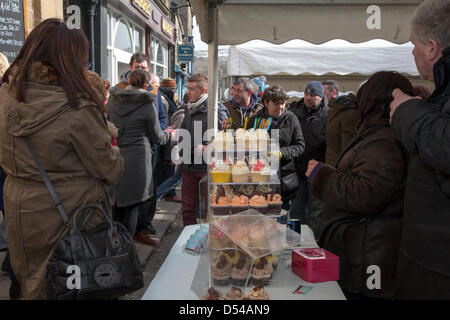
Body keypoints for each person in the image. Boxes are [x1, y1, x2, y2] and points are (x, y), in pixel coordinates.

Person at [0, 18, 124, 299]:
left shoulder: (5, 96)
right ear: (68, 59)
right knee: (72, 285)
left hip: (20, 210)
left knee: (32, 281)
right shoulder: (76, 107)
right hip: (71, 215)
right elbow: (111, 169)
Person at [306, 71, 413, 299]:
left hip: (370, 252)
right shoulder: (378, 134)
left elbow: (368, 193)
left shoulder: (383, 141)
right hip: (364, 245)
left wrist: (322, 175)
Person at [388, 0, 450, 299]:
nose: (412, 53)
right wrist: (428, 109)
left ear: (431, 47)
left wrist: (408, 112)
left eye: (413, 45)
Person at [107, 69, 174, 245]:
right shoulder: (146, 105)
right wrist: (169, 134)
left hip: (115, 156)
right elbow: (157, 138)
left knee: (116, 205)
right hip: (137, 159)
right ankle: (126, 248)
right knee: (133, 205)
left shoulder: (113, 100)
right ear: (146, 85)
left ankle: (114, 246)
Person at [179, 73, 229, 226]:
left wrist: (210, 147)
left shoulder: (216, 109)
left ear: (204, 90)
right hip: (188, 165)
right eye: (188, 88)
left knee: (212, 208)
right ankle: (188, 239)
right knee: (187, 209)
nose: (188, 92)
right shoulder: (188, 107)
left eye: (192, 89)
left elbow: (227, 138)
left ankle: (212, 239)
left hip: (207, 167)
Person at [248, 85, 305, 201]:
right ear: (266, 103)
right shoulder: (256, 120)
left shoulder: (291, 119)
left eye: (282, 103)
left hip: (284, 179)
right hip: (260, 177)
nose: (280, 107)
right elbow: (246, 145)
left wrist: (281, 152)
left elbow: (300, 146)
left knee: (281, 213)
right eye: (276, 103)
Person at [289, 81, 329, 236]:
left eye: (312, 95)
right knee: (296, 210)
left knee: (316, 212)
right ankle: (295, 242)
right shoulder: (294, 113)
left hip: (317, 171)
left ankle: (314, 244)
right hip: (297, 169)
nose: (308, 98)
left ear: (321, 97)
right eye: (306, 94)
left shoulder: (328, 115)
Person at [322, 80, 360, 165]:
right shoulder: (334, 110)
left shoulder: (346, 112)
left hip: (338, 168)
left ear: (334, 92)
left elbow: (347, 149)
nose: (321, 95)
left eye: (323, 92)